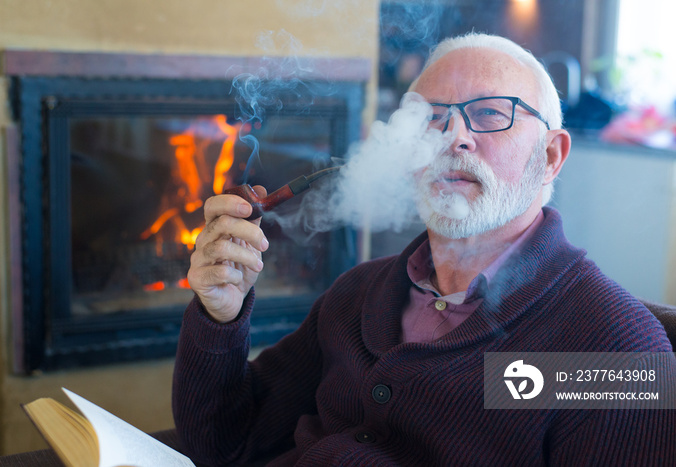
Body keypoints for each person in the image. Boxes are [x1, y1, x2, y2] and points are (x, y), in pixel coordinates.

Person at [172, 33, 675, 466]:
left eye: (489, 115)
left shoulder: (614, 350)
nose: (455, 138)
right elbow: (224, 448)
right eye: (430, 119)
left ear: (550, 155)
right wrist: (220, 317)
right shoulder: (356, 295)